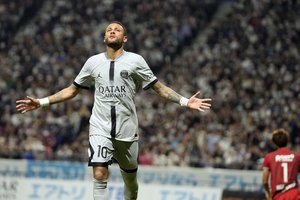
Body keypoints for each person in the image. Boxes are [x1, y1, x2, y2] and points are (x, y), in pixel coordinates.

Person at [16, 21, 212, 200]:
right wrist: (41, 102)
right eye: (109, 30)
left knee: (130, 181)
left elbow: (159, 88)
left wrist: (186, 101)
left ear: (124, 38)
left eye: (117, 30)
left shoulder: (136, 61)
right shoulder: (93, 62)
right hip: (99, 126)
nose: (112, 31)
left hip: (127, 130)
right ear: (104, 37)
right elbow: (72, 89)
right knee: (99, 173)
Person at [262, 128, 300, 200]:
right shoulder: (297, 157)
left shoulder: (269, 157)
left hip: (279, 195)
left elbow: (265, 181)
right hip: (295, 194)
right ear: (287, 140)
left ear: (274, 142)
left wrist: (268, 193)